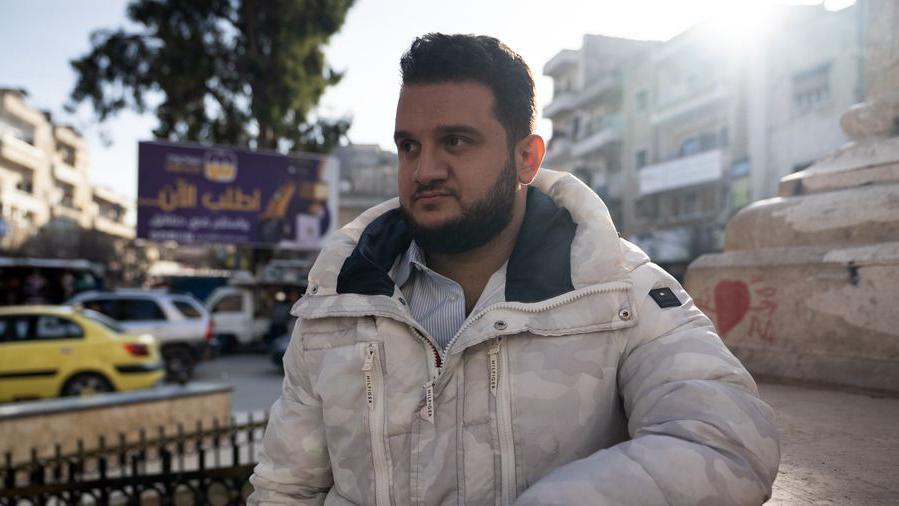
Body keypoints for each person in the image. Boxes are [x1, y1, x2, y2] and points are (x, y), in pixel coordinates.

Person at [249, 33, 779, 505]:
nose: (424, 169)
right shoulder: (336, 303)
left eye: (455, 141)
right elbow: (285, 488)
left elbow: (723, 440)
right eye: (409, 146)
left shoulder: (617, 290)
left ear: (527, 158)